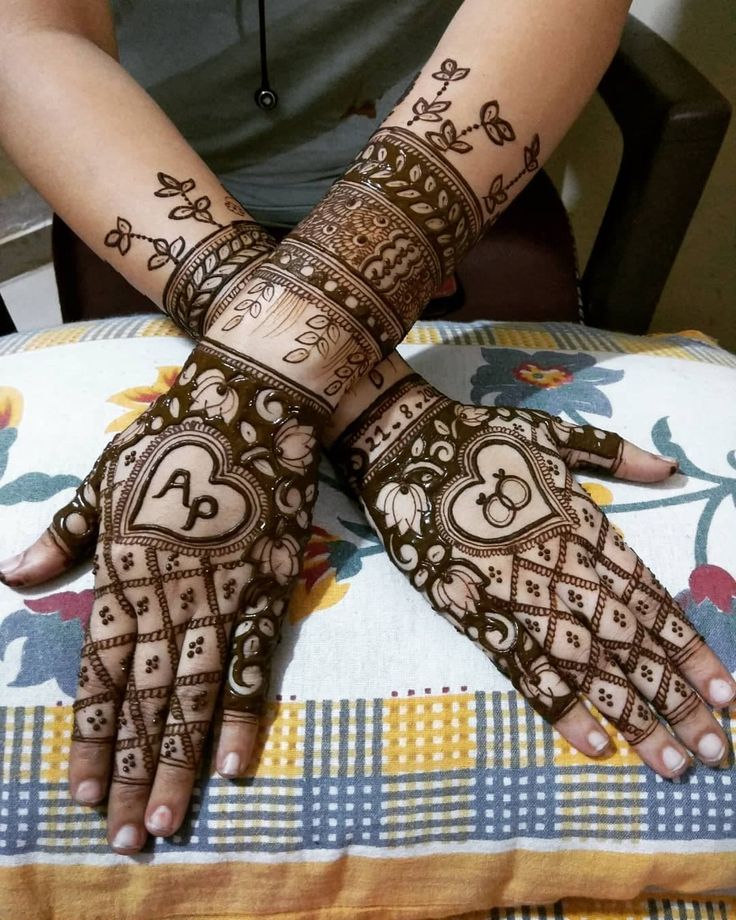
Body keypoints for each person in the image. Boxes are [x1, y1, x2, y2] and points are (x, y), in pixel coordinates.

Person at [0, 0, 733, 857]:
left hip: (464, 163)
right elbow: (28, 30)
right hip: (128, 176)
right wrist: (346, 395)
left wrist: (261, 370)